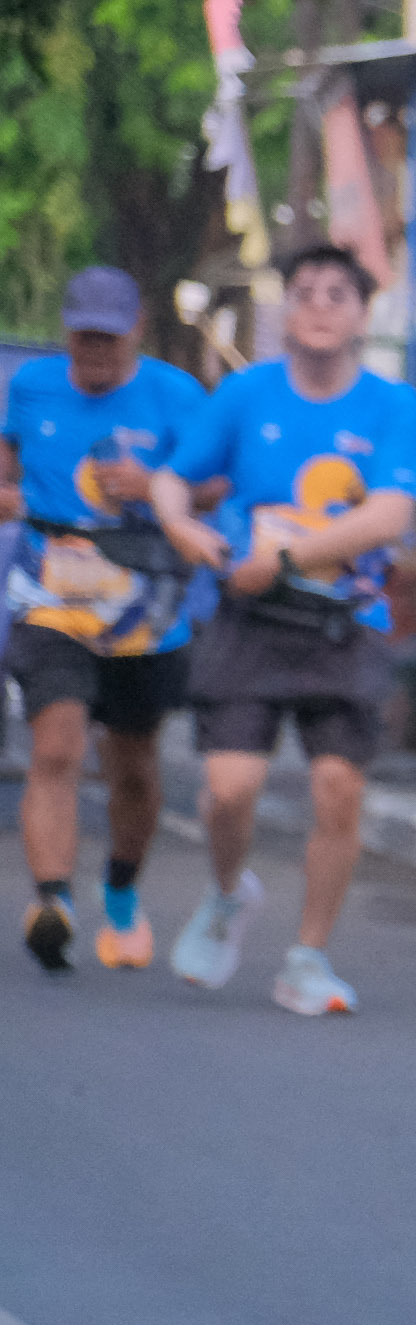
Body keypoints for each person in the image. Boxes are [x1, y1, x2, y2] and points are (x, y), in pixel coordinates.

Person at [148, 244, 416, 1016]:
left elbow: (391, 512)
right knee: (229, 790)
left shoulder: (391, 404)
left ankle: (308, 957)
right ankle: (227, 893)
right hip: (249, 622)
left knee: (338, 787)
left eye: (338, 294)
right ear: (285, 312)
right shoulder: (246, 394)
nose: (320, 306)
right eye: (305, 293)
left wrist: (286, 558)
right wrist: (181, 526)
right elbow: (173, 476)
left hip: (344, 624)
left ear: (362, 313)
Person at [6, 268, 219, 972]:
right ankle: (53, 902)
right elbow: (7, 466)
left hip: (144, 602)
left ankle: (121, 893)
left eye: (109, 335)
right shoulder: (33, 386)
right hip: (51, 593)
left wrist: (157, 486)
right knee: (56, 745)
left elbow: (217, 482)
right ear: (67, 331)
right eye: (84, 335)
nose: (95, 348)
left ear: (137, 329)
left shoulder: (175, 395)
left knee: (132, 765)